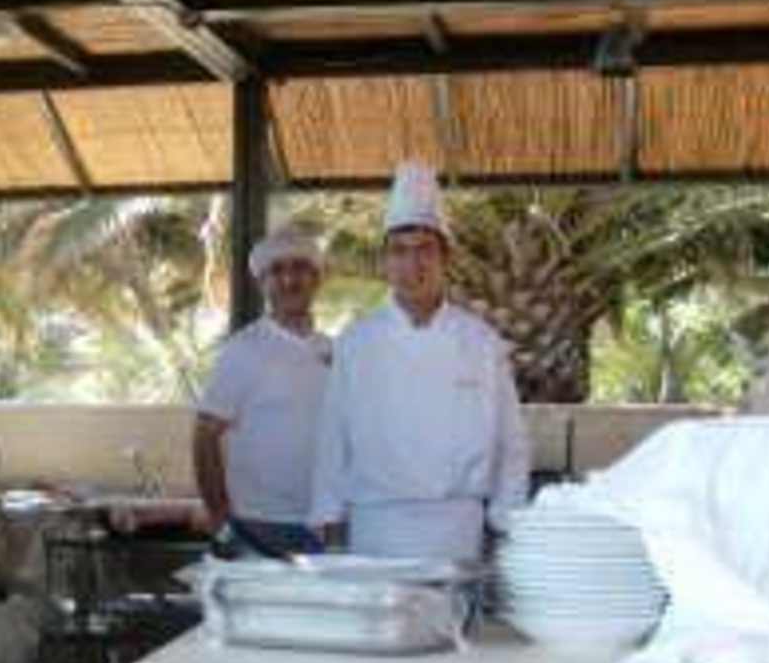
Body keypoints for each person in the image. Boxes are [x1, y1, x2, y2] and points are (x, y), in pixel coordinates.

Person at [309, 162, 529, 560]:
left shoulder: (481, 342)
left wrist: (506, 519)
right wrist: (327, 512)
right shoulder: (357, 343)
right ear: (385, 262)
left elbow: (510, 440)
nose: (413, 265)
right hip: (376, 526)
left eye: (425, 249)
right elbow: (333, 435)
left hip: (457, 527)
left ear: (446, 258)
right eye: (400, 251)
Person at [193, 226, 334, 558]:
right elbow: (205, 435)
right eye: (277, 270)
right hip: (257, 525)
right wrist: (219, 515)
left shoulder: (332, 350)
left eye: (300, 268)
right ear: (262, 283)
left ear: (317, 279)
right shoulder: (244, 349)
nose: (289, 280)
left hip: (323, 521)